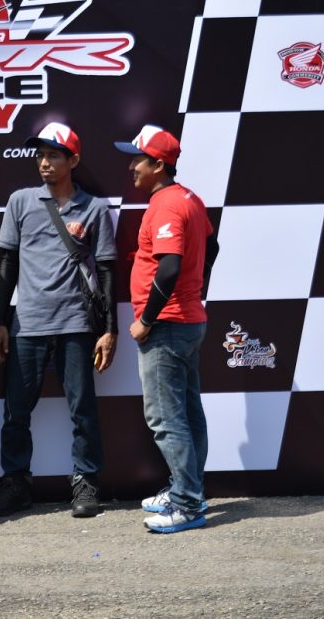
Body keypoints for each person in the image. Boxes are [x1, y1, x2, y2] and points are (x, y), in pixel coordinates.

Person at [0, 122, 118, 519]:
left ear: (73, 161)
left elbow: (107, 270)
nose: (44, 163)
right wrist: (0, 322)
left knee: (82, 410)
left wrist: (109, 329)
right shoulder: (20, 201)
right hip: (27, 324)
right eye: (40, 155)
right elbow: (7, 264)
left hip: (76, 323)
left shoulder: (95, 208)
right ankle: (15, 483)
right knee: (15, 412)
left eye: (53, 156)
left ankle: (86, 481)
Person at [115, 124, 219, 534]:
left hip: (168, 326)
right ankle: (187, 489)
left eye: (137, 160)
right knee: (188, 414)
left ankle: (187, 503)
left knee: (166, 418)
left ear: (158, 165)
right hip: (186, 320)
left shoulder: (167, 205)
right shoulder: (189, 198)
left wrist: (147, 319)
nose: (131, 167)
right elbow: (212, 247)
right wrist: (194, 290)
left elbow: (170, 266)